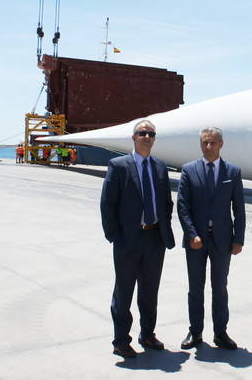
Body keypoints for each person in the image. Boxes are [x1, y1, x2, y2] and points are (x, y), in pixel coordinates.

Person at [100, 119, 175, 358]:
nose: (146, 137)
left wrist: (163, 229)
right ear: (134, 138)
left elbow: (166, 202)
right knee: (124, 292)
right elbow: (107, 204)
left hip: (154, 238)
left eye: (151, 134)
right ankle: (121, 340)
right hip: (127, 240)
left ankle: (147, 334)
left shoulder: (161, 166)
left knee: (150, 291)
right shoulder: (119, 165)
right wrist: (115, 236)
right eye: (142, 133)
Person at [177, 127, 245, 351]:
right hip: (196, 241)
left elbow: (239, 209)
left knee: (220, 287)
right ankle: (195, 332)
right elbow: (183, 206)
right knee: (195, 288)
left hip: (223, 241)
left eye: (213, 143)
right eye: (205, 143)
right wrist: (191, 234)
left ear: (221, 144)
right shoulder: (189, 170)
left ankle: (220, 333)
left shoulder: (232, 172)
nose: (208, 147)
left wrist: (238, 239)